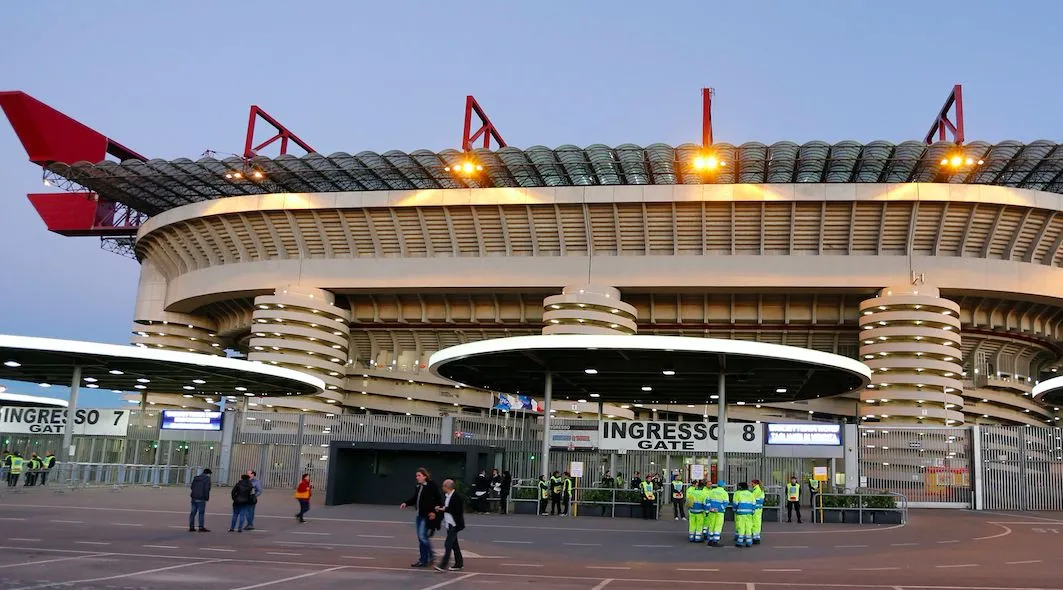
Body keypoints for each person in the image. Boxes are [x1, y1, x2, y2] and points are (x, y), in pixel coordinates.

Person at [400, 467, 443, 568]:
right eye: (416, 476)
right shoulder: (418, 486)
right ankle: (424, 559)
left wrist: (433, 512)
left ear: (425, 476)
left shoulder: (431, 486)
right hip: (419, 514)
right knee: (421, 538)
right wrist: (406, 503)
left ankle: (430, 556)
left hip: (427, 515)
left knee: (423, 537)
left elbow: (438, 500)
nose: (417, 477)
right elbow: (415, 498)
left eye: (419, 475)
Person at [433, 478, 465, 572]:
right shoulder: (447, 496)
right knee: (455, 545)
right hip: (449, 524)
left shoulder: (456, 496)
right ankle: (459, 563)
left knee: (448, 544)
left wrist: (443, 509)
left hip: (455, 524)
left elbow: (457, 510)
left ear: (447, 487)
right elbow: (448, 508)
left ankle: (443, 565)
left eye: (443, 486)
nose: (442, 487)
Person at [706, 480, 729, 546]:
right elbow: (726, 503)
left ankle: (710, 540)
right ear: (723, 485)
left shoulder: (712, 491)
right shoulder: (724, 493)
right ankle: (715, 541)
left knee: (711, 525)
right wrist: (719, 509)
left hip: (712, 510)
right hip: (719, 512)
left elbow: (707, 501)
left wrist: (709, 508)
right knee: (718, 526)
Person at [732, 481, 755, 548]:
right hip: (749, 513)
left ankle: (740, 542)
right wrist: (752, 511)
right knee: (748, 527)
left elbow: (735, 503)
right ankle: (749, 542)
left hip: (741, 513)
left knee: (741, 527)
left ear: (740, 487)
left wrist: (734, 509)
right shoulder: (751, 494)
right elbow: (754, 504)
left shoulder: (739, 494)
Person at [189, 468, 212, 532]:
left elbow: (192, 487)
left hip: (194, 497)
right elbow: (207, 489)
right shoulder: (207, 479)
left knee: (193, 513)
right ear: (208, 474)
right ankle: (201, 527)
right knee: (201, 513)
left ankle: (191, 527)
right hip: (201, 498)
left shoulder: (196, 478)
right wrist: (206, 498)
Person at [750, 479, 765, 544]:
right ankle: (757, 537)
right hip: (759, 508)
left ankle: (754, 537)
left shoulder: (756, 490)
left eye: (752, 483)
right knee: (758, 523)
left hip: (755, 509)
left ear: (755, 484)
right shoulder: (760, 489)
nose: (751, 485)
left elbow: (751, 498)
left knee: (754, 523)